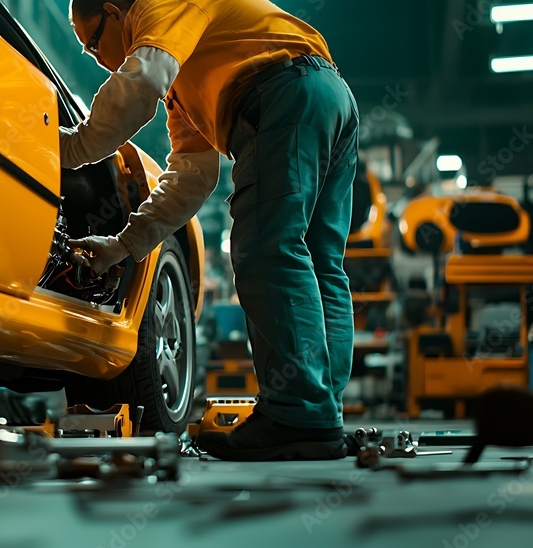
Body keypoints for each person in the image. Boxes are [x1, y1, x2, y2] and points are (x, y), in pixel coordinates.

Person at [63, 0, 359, 460]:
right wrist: (122, 246)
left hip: (285, 95)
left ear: (114, 11)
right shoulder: (187, 79)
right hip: (327, 97)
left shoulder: (159, 6)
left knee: (267, 249)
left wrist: (70, 148)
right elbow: (192, 178)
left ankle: (298, 416)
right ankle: (320, 414)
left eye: (93, 43)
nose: (98, 59)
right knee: (320, 265)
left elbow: (141, 80)